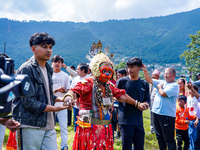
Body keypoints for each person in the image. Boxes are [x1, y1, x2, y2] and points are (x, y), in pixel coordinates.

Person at [63, 53, 145, 150]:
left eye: (109, 71)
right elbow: (75, 90)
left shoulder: (108, 85)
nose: (107, 74)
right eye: (104, 71)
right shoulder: (88, 82)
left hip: (105, 127)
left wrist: (137, 104)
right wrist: (69, 97)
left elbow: (121, 94)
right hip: (89, 127)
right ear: (97, 69)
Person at [12, 32, 70, 150]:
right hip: (30, 124)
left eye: (50, 47)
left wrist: (62, 99)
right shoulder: (26, 69)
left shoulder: (48, 69)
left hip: (48, 124)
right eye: (44, 47)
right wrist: (55, 108)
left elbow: (46, 95)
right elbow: (29, 102)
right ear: (33, 49)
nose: (48, 50)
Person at [142, 65, 179, 150]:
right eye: (165, 73)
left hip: (167, 116)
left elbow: (163, 93)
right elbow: (149, 80)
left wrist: (159, 87)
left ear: (173, 75)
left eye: (167, 74)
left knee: (168, 139)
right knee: (159, 137)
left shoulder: (174, 86)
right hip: (156, 113)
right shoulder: (162, 82)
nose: (165, 75)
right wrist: (145, 71)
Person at [117, 57, 150, 150]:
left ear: (139, 68)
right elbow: (115, 95)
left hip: (138, 121)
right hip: (126, 120)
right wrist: (119, 98)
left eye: (133, 67)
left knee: (139, 147)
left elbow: (147, 99)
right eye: (129, 67)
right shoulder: (122, 81)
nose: (130, 69)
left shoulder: (144, 84)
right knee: (126, 147)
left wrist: (145, 104)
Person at [51, 55, 70, 150]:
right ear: (52, 63)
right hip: (50, 105)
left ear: (62, 64)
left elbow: (69, 90)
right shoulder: (48, 74)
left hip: (62, 105)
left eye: (59, 62)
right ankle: (51, 145)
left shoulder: (65, 76)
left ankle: (64, 145)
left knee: (63, 127)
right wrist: (56, 90)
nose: (57, 64)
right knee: (50, 127)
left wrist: (64, 91)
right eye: (55, 62)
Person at [71, 63, 88, 132]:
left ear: (83, 70)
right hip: (76, 105)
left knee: (86, 121)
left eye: (78, 69)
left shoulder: (88, 79)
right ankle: (76, 136)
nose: (76, 71)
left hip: (86, 106)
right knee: (76, 121)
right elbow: (71, 89)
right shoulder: (75, 79)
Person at [113, 68, 127, 139]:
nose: (118, 77)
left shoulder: (126, 83)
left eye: (119, 75)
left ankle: (122, 134)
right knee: (117, 119)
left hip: (122, 105)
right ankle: (118, 133)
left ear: (124, 75)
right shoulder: (117, 82)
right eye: (117, 76)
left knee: (121, 119)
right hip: (116, 104)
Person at [149, 69, 160, 134]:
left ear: (157, 76)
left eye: (154, 75)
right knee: (151, 117)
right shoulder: (151, 83)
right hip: (151, 103)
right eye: (152, 75)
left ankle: (157, 130)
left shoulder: (160, 83)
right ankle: (152, 130)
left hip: (158, 104)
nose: (152, 77)